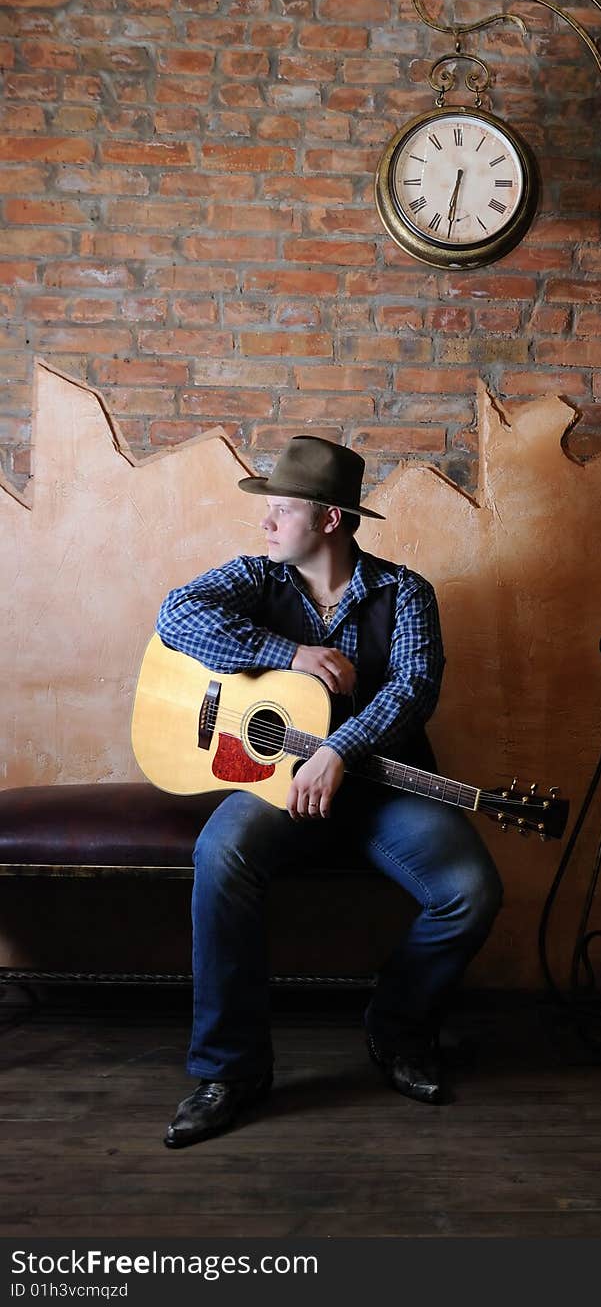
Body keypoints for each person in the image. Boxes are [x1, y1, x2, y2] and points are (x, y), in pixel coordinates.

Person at [156, 435, 503, 1149]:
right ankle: (232, 1070)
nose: (267, 523)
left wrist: (341, 748)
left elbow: (414, 689)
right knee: (222, 854)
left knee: (471, 889)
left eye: (281, 509)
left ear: (330, 520)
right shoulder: (257, 578)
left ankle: (398, 1027)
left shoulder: (406, 592)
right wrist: (288, 652)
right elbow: (175, 616)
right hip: (276, 783)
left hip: (384, 792)